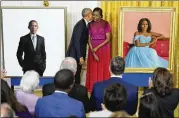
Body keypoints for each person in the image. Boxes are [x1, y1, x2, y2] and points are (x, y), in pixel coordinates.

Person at [86, 7, 111, 92]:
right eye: (93, 15)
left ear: (101, 16)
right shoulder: (89, 24)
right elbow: (88, 39)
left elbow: (108, 39)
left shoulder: (106, 23)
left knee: (103, 67)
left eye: (97, 15)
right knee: (93, 68)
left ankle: (104, 87)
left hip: (103, 48)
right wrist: (93, 51)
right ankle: (92, 88)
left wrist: (97, 47)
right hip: (92, 49)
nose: (94, 17)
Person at [66, 8, 93, 84]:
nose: (93, 16)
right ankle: (74, 92)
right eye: (91, 14)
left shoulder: (86, 24)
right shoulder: (80, 25)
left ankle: (76, 91)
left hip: (78, 54)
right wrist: (80, 56)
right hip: (75, 55)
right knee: (74, 74)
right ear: (87, 15)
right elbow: (76, 41)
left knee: (77, 74)